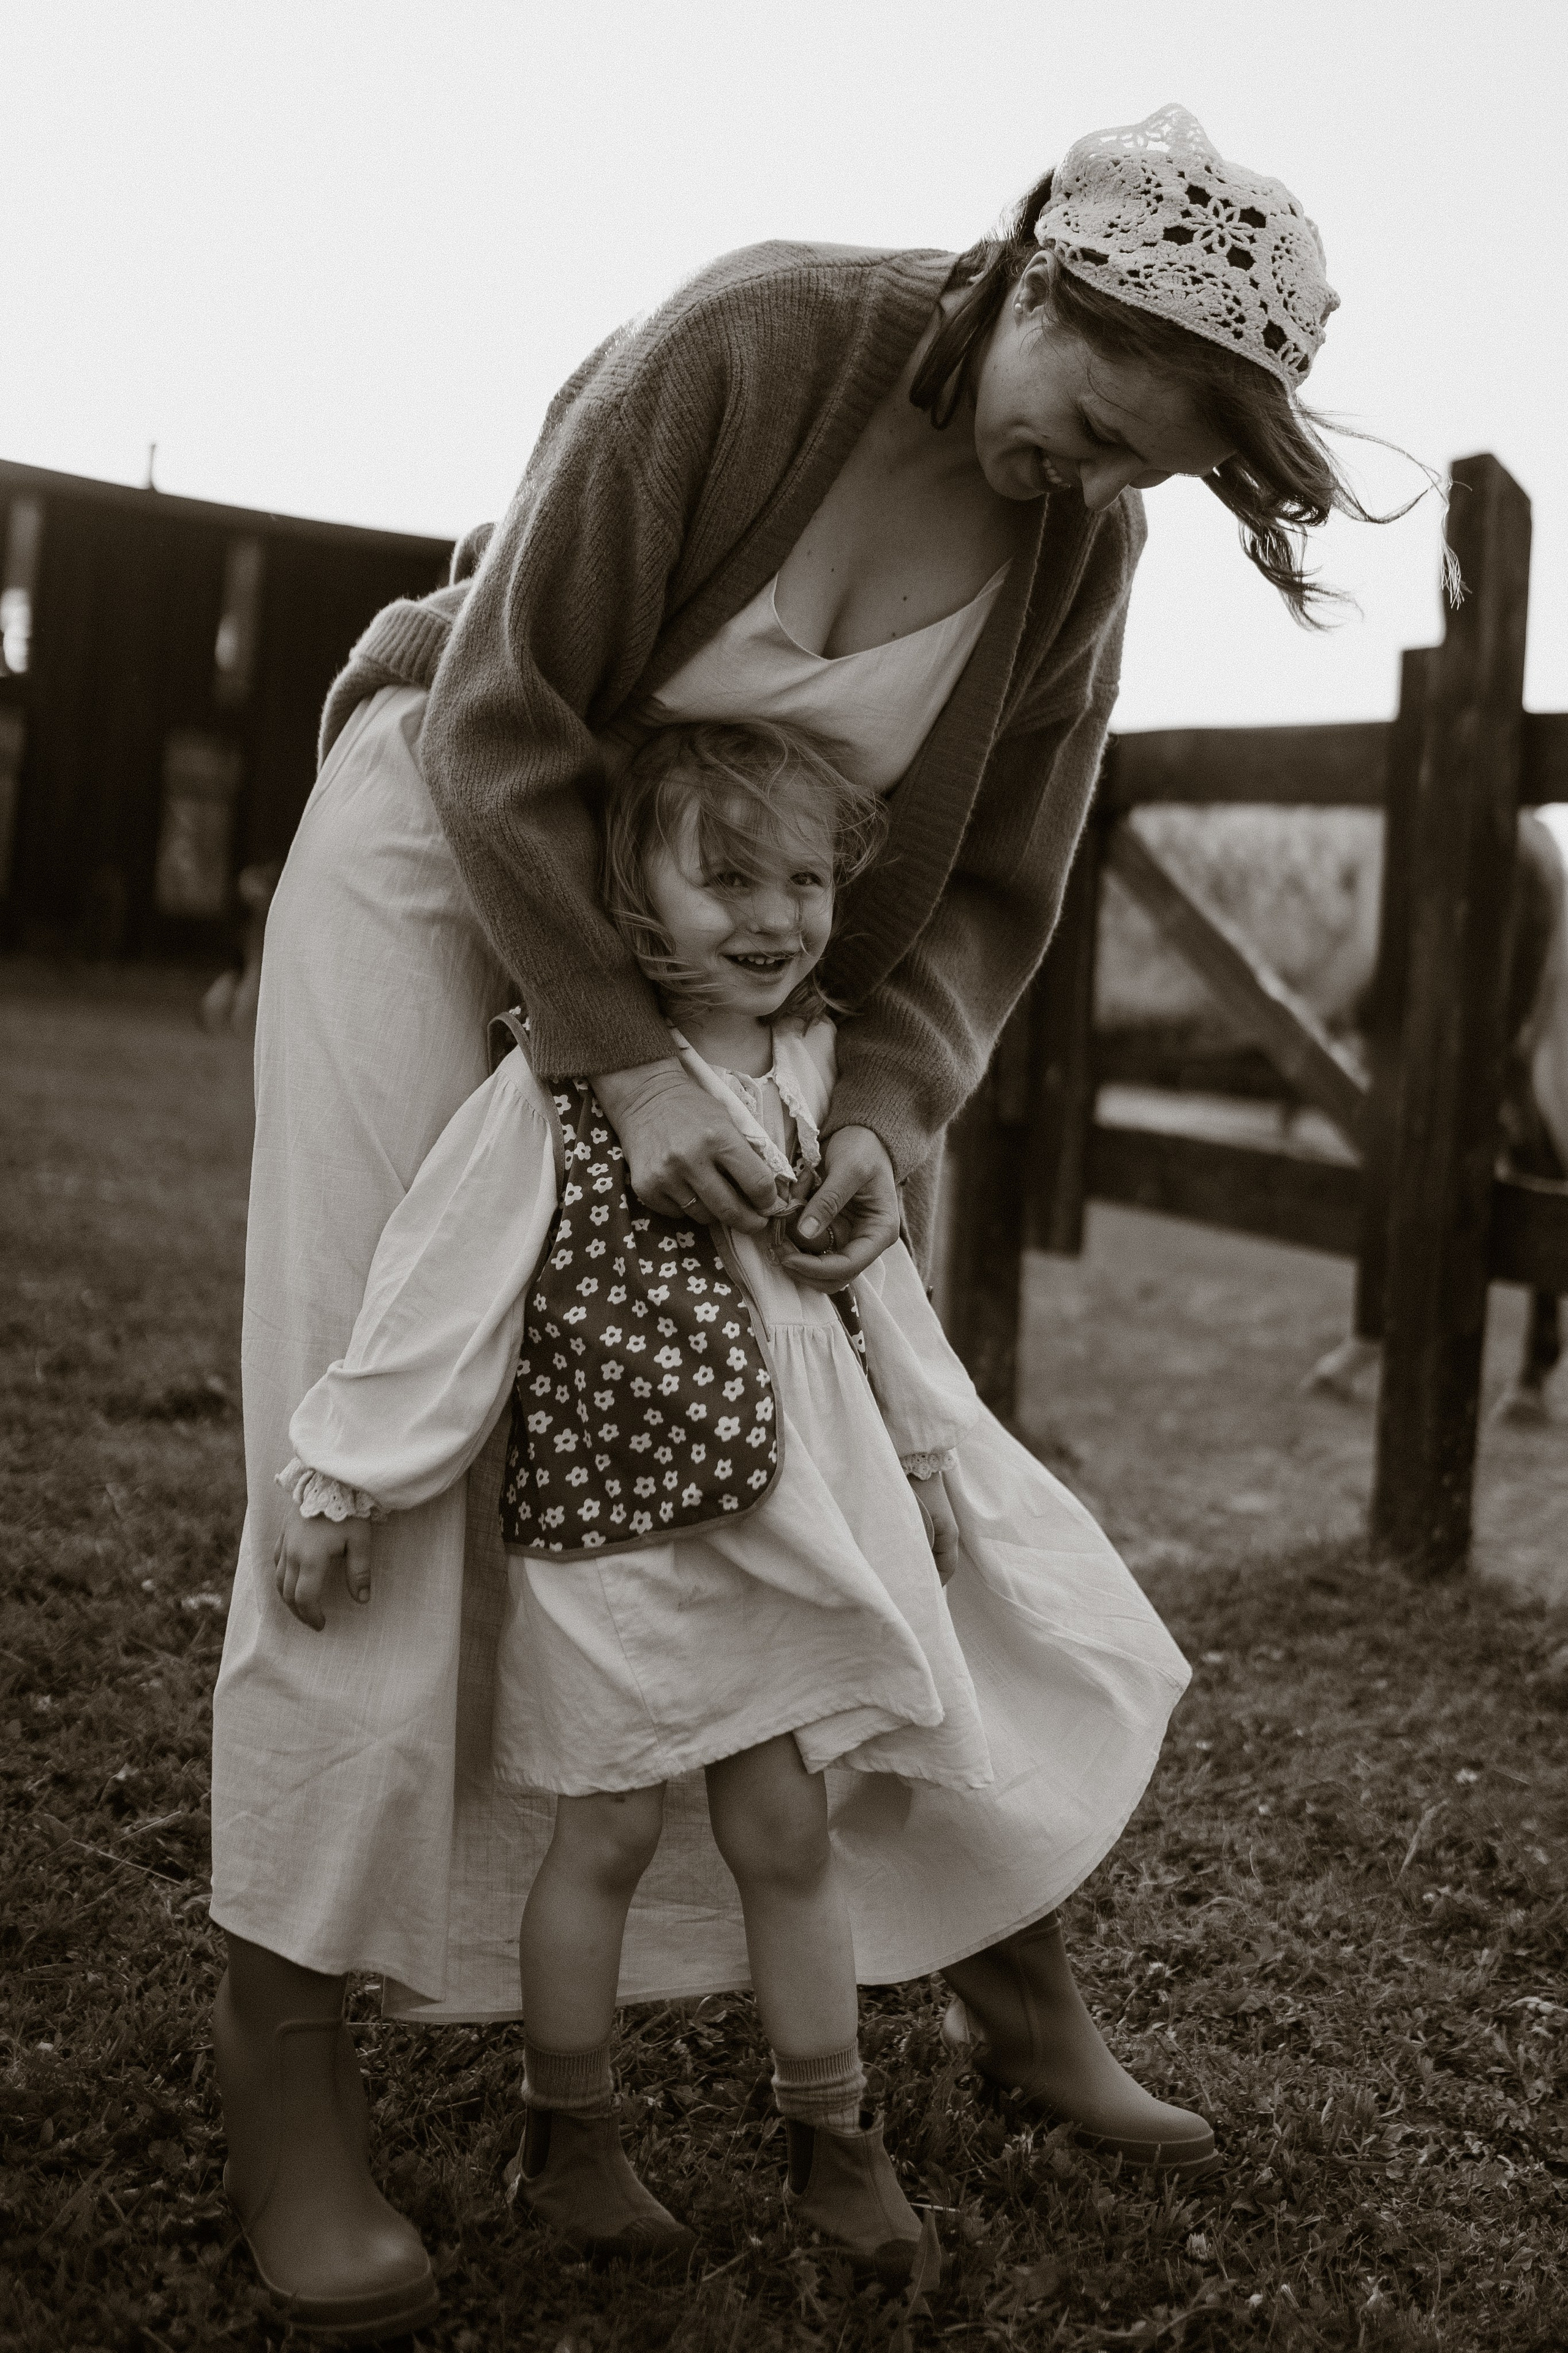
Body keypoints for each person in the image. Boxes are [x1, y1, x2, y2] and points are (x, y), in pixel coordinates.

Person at [211, 104, 1364, 2335]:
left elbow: (1000, 890)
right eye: (1090, 421)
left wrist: (897, 1105)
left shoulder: (1079, 553)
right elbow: (505, 713)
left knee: (855, 1441)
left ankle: (1002, 1975)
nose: (1089, 481)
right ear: (1036, 275)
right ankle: (290, 2082)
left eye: (1145, 468)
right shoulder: (758, 342)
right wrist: (616, 1072)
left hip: (748, 981)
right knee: (371, 1409)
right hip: (456, 854)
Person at [266, 717, 1191, 2287]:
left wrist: (918, 1463)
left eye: (809, 881)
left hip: (780, 1538)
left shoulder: (821, 1077)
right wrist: (346, 1472)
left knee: (785, 1827)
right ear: (628, 897)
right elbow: (440, 1289)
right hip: (613, 1542)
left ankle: (832, 2139)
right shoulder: (559, 1086)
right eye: (727, 879)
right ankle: (568, 2138)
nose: (773, 917)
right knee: (608, 1832)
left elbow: (868, 1302)